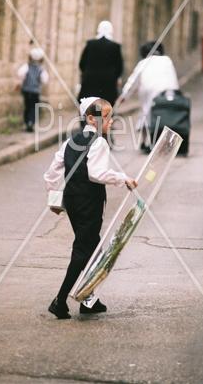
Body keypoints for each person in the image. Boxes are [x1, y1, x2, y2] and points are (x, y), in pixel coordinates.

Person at [44, 96, 137, 319]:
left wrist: (53, 197)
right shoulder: (99, 141)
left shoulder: (71, 141)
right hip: (89, 203)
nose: (111, 121)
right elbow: (96, 173)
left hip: (73, 201)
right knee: (84, 250)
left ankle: (89, 299)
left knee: (93, 248)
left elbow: (52, 172)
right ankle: (60, 300)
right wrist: (121, 177)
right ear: (91, 119)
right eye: (106, 117)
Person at [120, 41, 179, 153]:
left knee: (146, 113)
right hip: (167, 91)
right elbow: (173, 78)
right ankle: (165, 142)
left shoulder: (143, 63)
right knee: (165, 116)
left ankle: (144, 141)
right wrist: (175, 93)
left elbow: (133, 81)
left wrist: (124, 95)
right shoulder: (167, 60)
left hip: (148, 91)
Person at [78, 21, 123, 106]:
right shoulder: (115, 47)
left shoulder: (90, 44)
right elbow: (119, 67)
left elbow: (82, 64)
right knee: (105, 108)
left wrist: (87, 73)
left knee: (89, 107)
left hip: (90, 82)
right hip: (108, 84)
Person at [17, 47, 49, 132]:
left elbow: (20, 73)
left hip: (26, 90)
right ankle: (31, 122)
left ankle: (27, 122)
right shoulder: (41, 70)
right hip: (35, 91)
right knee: (34, 107)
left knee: (27, 106)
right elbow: (44, 80)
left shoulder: (27, 66)